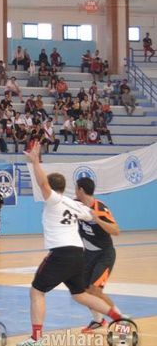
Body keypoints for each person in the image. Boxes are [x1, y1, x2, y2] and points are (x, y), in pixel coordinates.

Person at [17, 143, 128, 346]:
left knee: (36, 292)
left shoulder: (54, 200)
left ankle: (36, 339)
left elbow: (43, 185)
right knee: (80, 295)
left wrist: (35, 162)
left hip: (62, 254)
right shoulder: (75, 204)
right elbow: (91, 213)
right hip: (79, 255)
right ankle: (118, 319)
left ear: (52, 189)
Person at [75, 177, 123, 333]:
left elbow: (116, 231)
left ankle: (121, 320)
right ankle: (98, 321)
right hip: (88, 255)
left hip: (105, 254)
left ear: (81, 189)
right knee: (83, 291)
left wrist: (97, 220)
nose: (75, 190)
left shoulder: (100, 208)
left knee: (95, 291)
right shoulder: (77, 205)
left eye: (76, 188)